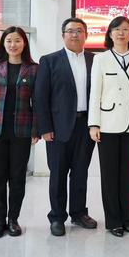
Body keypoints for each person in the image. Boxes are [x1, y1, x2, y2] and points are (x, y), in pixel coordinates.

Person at [34, 17, 97, 236]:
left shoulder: (95, 60)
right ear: (63, 35)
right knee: (58, 174)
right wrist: (44, 128)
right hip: (58, 127)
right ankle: (57, 217)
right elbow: (40, 97)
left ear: (85, 35)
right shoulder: (49, 61)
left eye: (79, 30)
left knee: (80, 172)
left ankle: (79, 213)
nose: (75, 34)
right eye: (70, 31)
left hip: (86, 126)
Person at [88, 16, 129, 237]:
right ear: (110, 34)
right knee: (109, 175)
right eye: (117, 29)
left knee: (128, 174)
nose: (121, 33)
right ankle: (113, 221)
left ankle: (128, 219)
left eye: (125, 29)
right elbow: (95, 93)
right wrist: (93, 124)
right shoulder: (100, 59)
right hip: (107, 123)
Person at [0, 26, 38, 239]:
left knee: (17, 177)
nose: (13, 45)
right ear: (3, 44)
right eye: (9, 41)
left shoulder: (33, 69)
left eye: (18, 40)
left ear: (24, 43)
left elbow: (38, 103)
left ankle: (13, 220)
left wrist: (36, 129)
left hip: (22, 130)